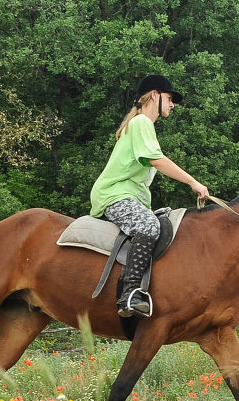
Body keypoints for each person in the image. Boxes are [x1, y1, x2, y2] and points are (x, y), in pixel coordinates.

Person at [89, 74, 209, 317]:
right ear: (154, 95)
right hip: (115, 195)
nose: (173, 104)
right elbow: (158, 160)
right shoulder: (142, 123)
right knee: (149, 226)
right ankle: (130, 294)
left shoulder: (141, 125)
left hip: (128, 197)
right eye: (170, 97)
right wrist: (193, 182)